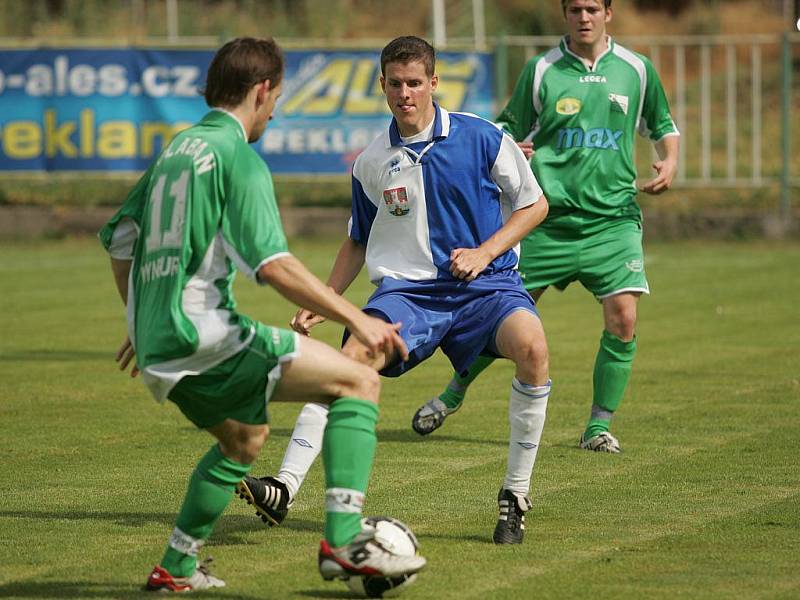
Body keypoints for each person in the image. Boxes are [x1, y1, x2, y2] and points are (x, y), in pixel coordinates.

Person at [99, 37, 425, 593]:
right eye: (275, 100)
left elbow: (121, 238)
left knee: (244, 440)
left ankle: (176, 568)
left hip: (160, 344)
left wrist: (140, 319)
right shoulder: (237, 158)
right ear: (261, 90)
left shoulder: (178, 149)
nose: (274, 112)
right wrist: (359, 317)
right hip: (203, 332)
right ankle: (345, 542)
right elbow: (273, 266)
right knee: (358, 381)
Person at [237, 35, 551, 545]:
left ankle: (514, 496)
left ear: (433, 83)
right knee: (350, 358)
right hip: (407, 294)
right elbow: (357, 241)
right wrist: (324, 301)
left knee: (533, 349)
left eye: (414, 83)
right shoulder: (371, 160)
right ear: (382, 86)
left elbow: (534, 205)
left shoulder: (483, 137)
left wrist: (485, 253)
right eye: (395, 83)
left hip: (485, 286)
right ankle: (283, 487)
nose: (405, 93)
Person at [411, 0, 680, 453]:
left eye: (593, 7)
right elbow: (503, 128)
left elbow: (663, 124)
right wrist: (514, 146)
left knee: (624, 317)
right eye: (575, 8)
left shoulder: (637, 69)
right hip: (545, 221)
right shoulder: (541, 70)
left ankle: (597, 426)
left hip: (612, 221)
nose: (584, 16)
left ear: (608, 13)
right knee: (499, 318)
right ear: (565, 14)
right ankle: (453, 392)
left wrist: (670, 160)